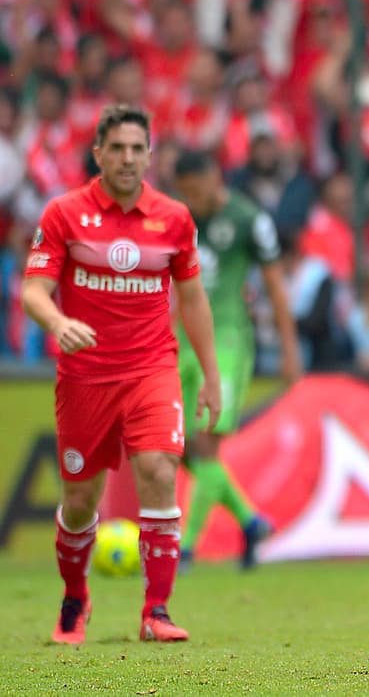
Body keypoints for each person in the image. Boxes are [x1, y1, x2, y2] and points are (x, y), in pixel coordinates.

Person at [22, 104, 222, 645]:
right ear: (99, 155)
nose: (128, 158)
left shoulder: (175, 218)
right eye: (118, 148)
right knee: (80, 500)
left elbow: (194, 301)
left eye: (138, 149)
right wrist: (59, 321)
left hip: (152, 369)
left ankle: (156, 610)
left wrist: (211, 374)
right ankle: (74, 598)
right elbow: (32, 291)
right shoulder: (64, 214)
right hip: (85, 377)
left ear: (150, 155)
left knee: (159, 473)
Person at [171, 150, 302, 571]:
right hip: (181, 340)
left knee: (204, 442)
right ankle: (249, 522)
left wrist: (288, 348)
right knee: (182, 448)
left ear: (215, 179)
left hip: (227, 341)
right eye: (184, 193)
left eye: (196, 191)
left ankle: (186, 547)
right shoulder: (179, 220)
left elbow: (275, 287)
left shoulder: (249, 219)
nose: (193, 200)